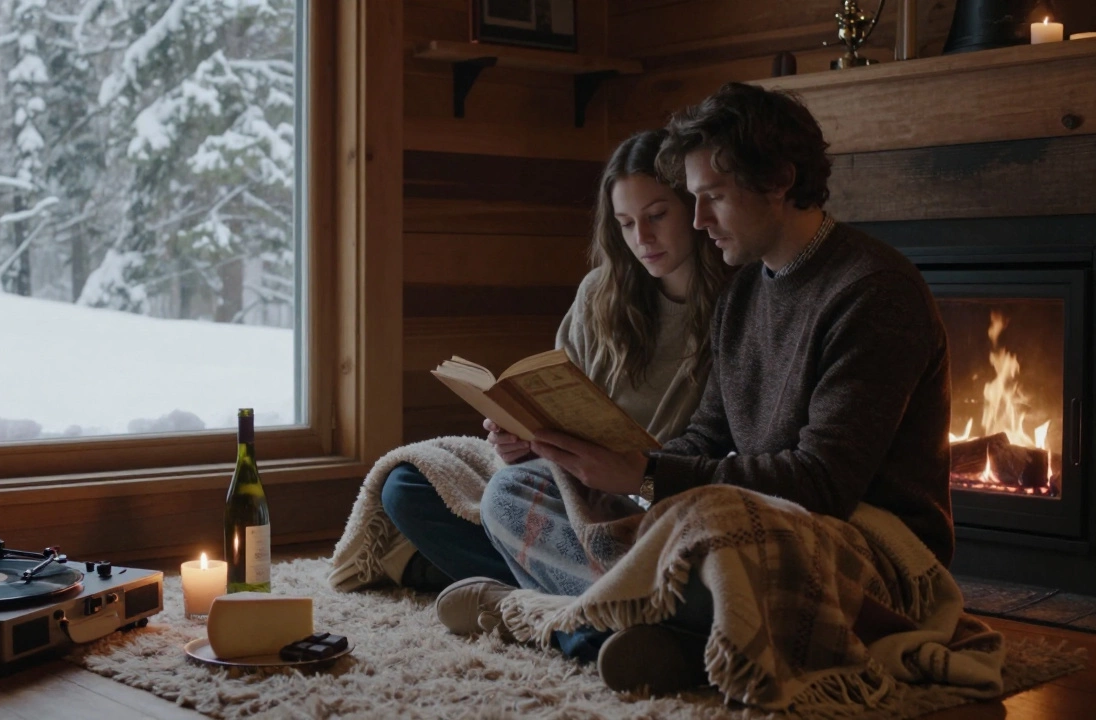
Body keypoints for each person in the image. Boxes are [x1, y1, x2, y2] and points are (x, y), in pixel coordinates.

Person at [437, 82, 954, 697]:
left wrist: (649, 477)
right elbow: (710, 432)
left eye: (712, 198)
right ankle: (670, 634)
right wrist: (627, 480)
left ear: (780, 180)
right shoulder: (745, 288)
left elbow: (825, 483)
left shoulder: (872, 291)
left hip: (860, 545)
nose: (700, 219)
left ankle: (560, 620)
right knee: (516, 490)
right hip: (752, 518)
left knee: (720, 535)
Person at [327, 128, 732, 658]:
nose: (642, 239)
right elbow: (561, 397)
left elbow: (712, 442)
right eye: (626, 223)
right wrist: (524, 434)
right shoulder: (602, 294)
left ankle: (551, 614)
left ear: (693, 209)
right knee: (406, 486)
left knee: (506, 502)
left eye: (658, 216)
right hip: (571, 480)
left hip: (651, 495)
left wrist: (632, 468)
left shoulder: (734, 303)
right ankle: (584, 604)